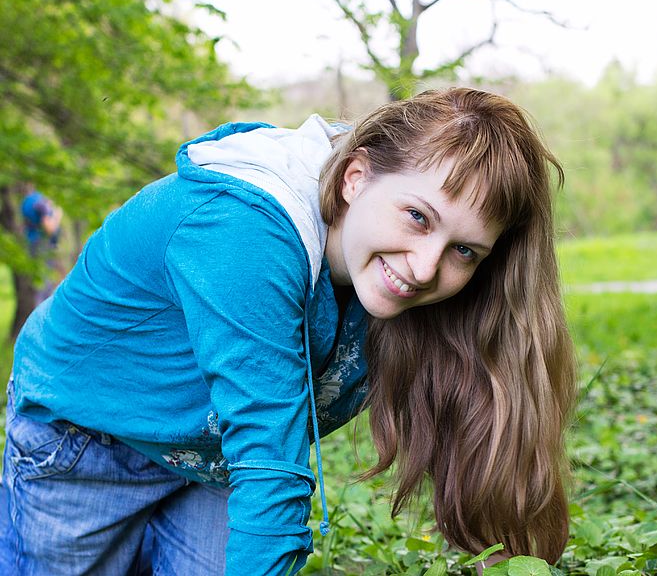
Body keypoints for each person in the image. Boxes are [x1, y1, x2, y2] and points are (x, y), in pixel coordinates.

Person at [0, 88, 576, 575]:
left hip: (209, 461)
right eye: (418, 217)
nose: (426, 267)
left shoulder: (409, 281)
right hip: (86, 441)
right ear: (356, 178)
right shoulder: (244, 234)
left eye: (464, 250)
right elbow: (271, 464)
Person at [20, 188, 64, 304]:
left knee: (39, 284)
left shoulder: (26, 202)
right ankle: (43, 317)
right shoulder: (39, 202)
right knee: (45, 285)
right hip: (42, 244)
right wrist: (57, 215)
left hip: (32, 243)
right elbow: (50, 228)